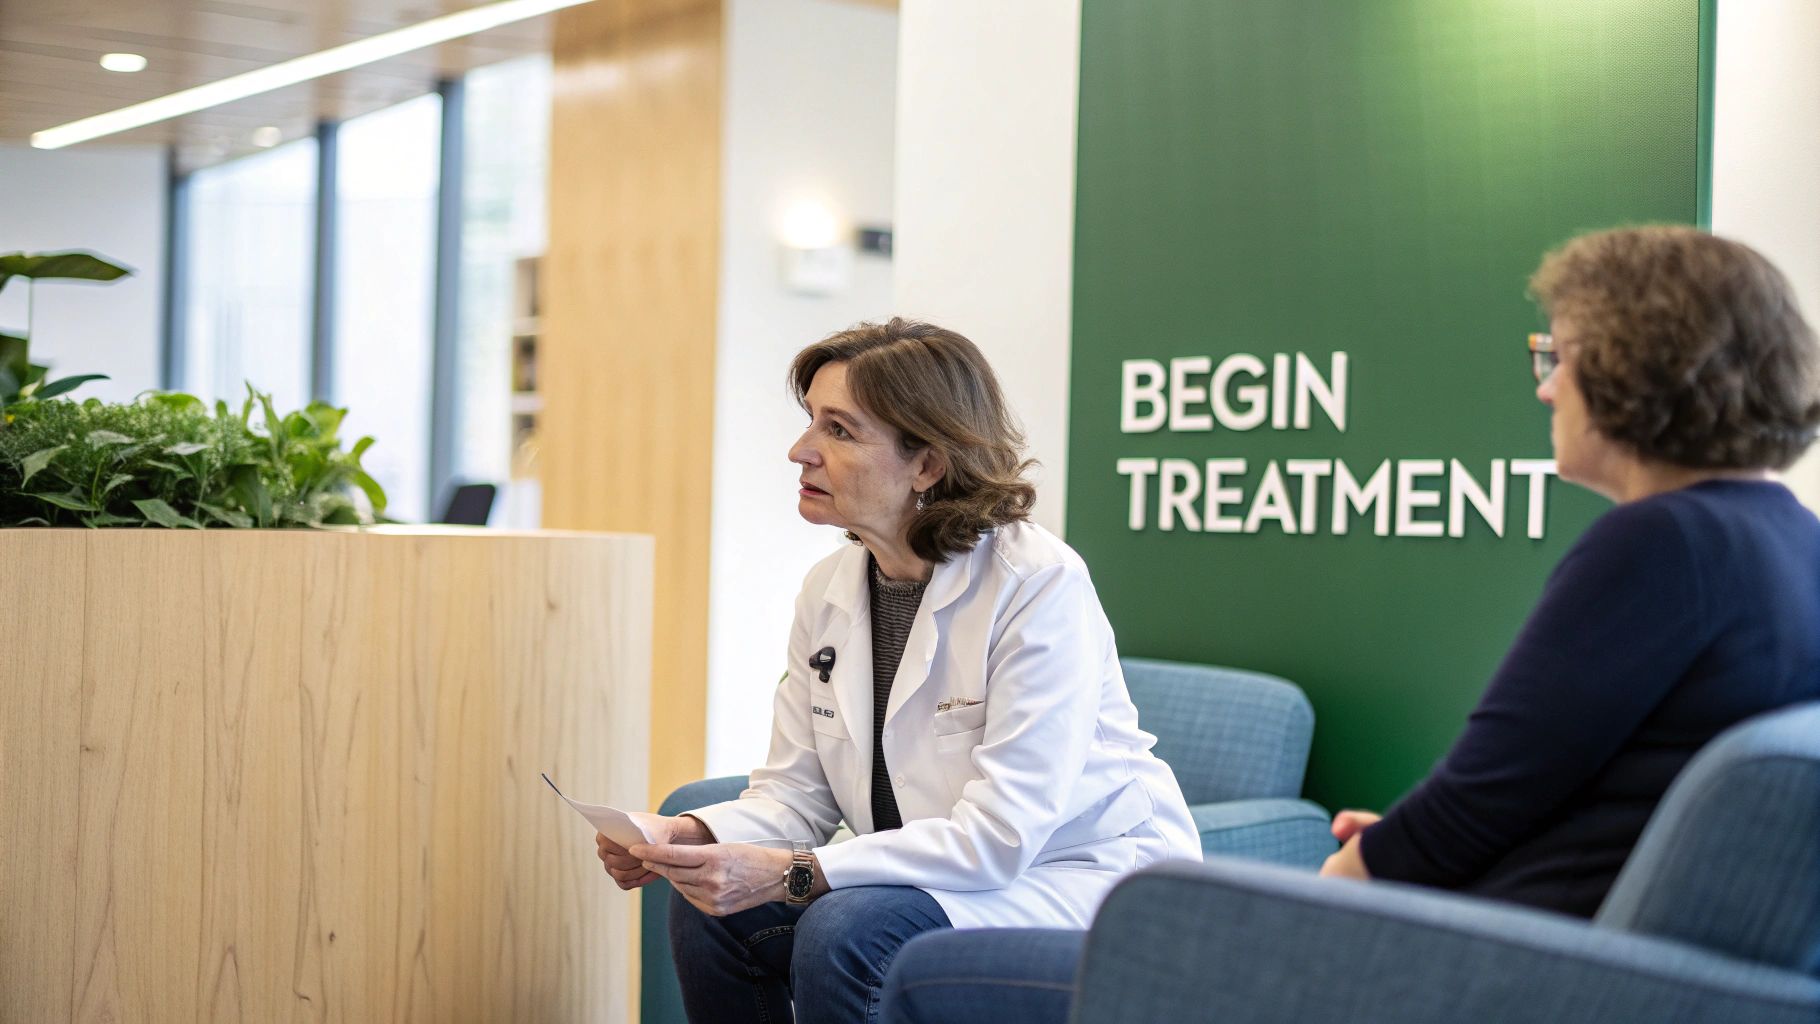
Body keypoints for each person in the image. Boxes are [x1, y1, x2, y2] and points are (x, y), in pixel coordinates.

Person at [879, 225, 1820, 1023]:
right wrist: (1420, 838)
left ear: (1633, 366)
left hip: (1495, 966)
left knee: (926, 973)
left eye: (1558, 355)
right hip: (1567, 940)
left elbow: (1479, 799)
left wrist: (1328, 907)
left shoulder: (1658, 544)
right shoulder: (1787, 537)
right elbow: (1608, 793)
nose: (1545, 387)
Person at [593, 318, 1199, 1024]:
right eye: (810, 423)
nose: (800, 451)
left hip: (1068, 881)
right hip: (939, 881)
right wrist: (692, 833)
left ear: (928, 465)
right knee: (712, 910)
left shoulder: (1038, 584)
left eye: (839, 431)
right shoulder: (829, 588)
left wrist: (794, 875)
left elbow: (1000, 837)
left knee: (844, 931)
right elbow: (796, 795)